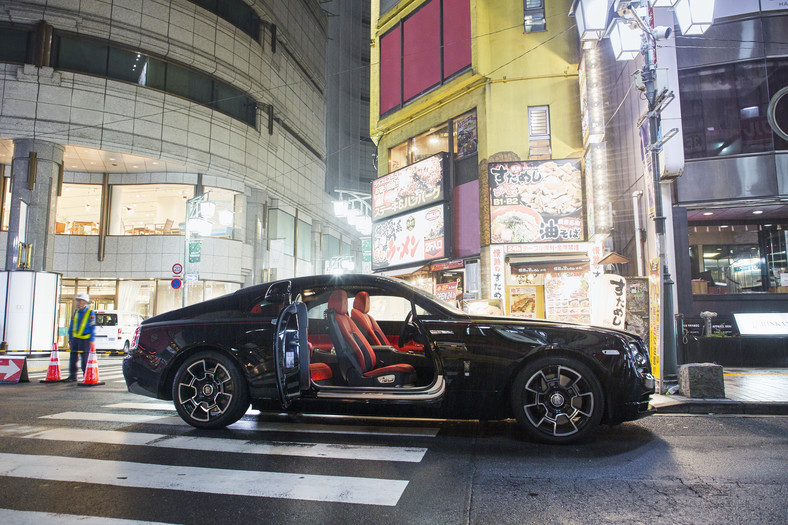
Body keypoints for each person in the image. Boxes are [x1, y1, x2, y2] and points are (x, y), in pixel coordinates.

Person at [66, 292, 95, 382]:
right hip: (75, 339)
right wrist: (70, 337)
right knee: (73, 358)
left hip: (85, 340)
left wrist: (91, 340)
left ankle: (85, 376)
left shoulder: (90, 313)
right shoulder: (75, 313)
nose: (78, 303)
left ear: (85, 302)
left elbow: (92, 327)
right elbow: (71, 325)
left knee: (85, 359)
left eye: (80, 301)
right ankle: (72, 376)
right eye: (77, 301)